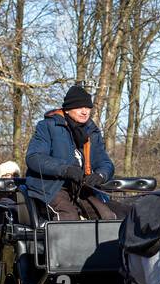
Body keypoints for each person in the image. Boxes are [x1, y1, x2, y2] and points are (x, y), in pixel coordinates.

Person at [24, 84, 126, 220]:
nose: (85, 111)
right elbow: (34, 158)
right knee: (69, 218)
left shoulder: (92, 132)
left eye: (88, 107)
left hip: (79, 188)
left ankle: (99, 242)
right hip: (51, 188)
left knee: (107, 216)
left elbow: (105, 163)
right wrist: (65, 170)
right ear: (67, 109)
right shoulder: (48, 126)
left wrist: (100, 175)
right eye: (79, 107)